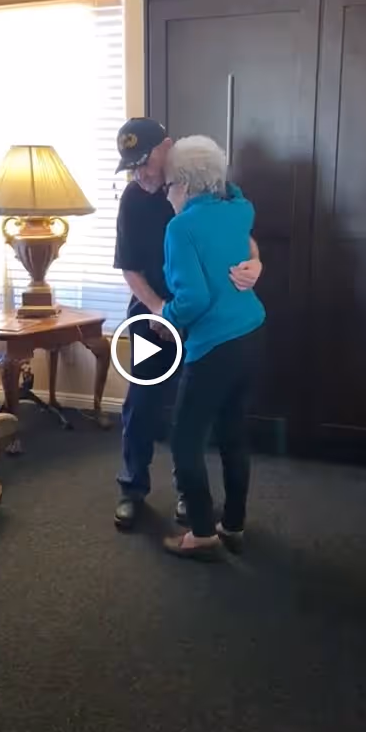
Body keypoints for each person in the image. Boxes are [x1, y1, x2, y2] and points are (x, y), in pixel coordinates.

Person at [113, 118, 262, 530]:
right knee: (141, 404)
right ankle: (132, 488)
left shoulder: (205, 184)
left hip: (201, 321)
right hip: (152, 315)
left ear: (167, 147)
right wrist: (161, 310)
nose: (141, 173)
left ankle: (187, 496)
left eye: (145, 161)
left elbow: (242, 229)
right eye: (132, 166)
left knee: (187, 414)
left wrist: (257, 261)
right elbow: (130, 269)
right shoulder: (133, 199)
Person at [148, 136, 266, 560]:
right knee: (233, 434)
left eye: (169, 187)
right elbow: (235, 194)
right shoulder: (239, 207)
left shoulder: (181, 228)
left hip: (215, 345)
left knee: (185, 442)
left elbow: (194, 299)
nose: (167, 196)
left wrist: (167, 319)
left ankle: (201, 532)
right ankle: (232, 524)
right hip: (252, 333)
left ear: (184, 184)